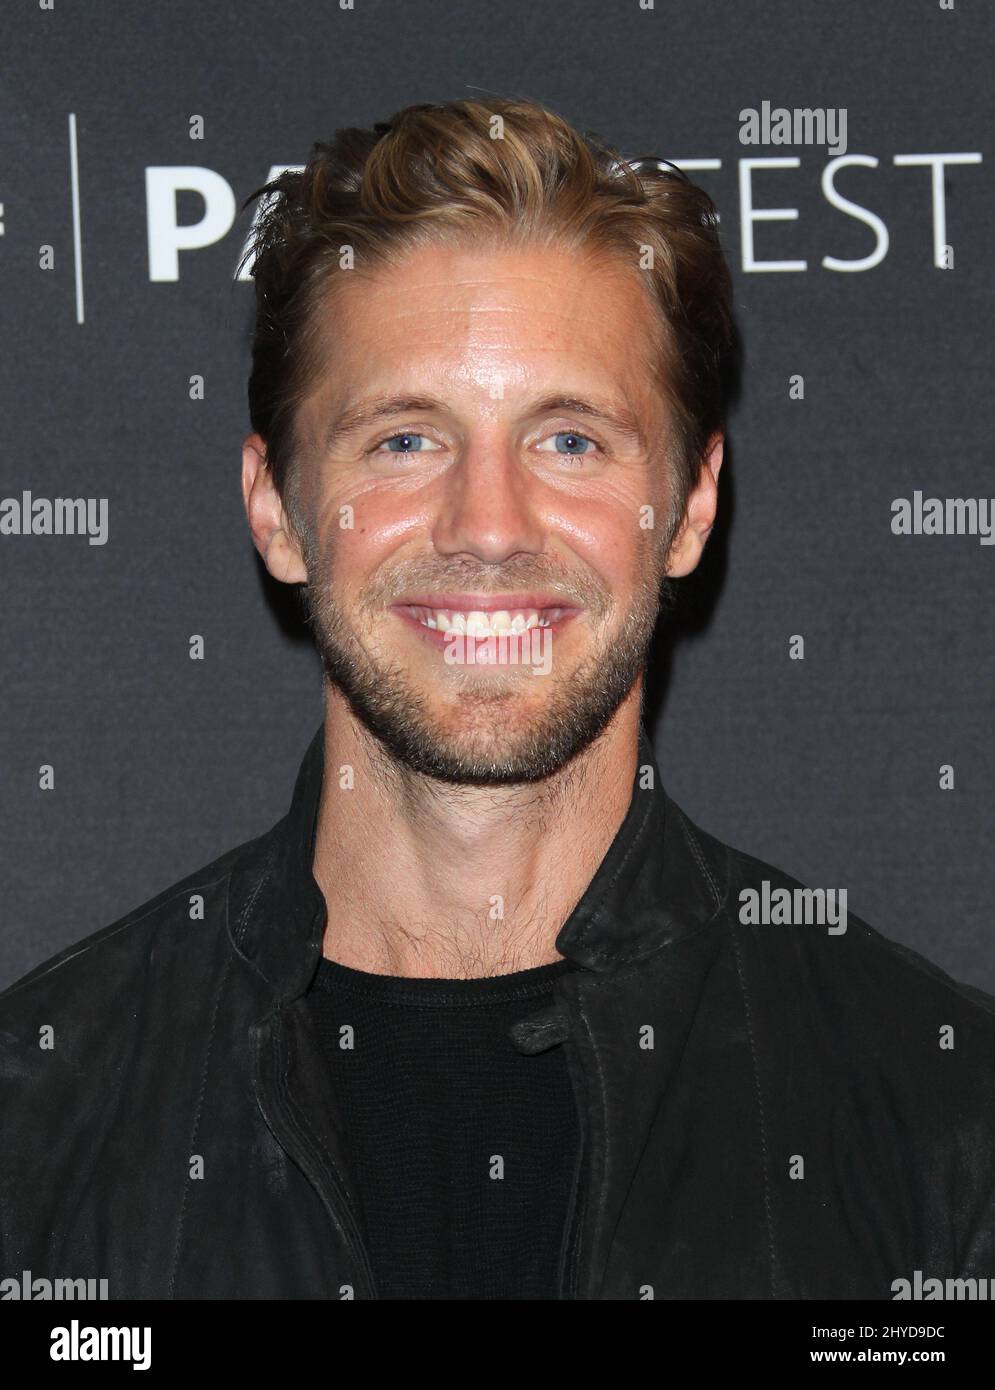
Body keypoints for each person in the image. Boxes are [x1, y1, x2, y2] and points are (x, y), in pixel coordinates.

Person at [1, 97, 992, 1302]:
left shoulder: (942, 1126)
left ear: (688, 507)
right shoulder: (37, 1123)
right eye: (404, 440)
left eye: (568, 441)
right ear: (276, 510)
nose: (487, 526)